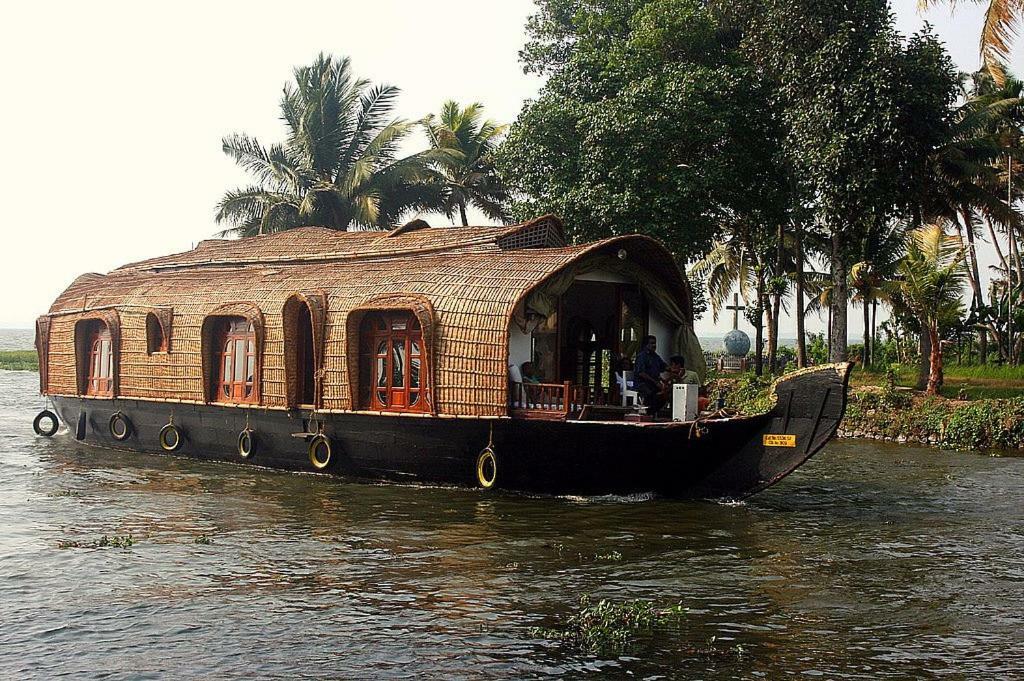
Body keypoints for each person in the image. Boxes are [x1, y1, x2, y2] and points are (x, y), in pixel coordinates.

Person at [634, 335, 667, 413]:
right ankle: (648, 412)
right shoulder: (641, 357)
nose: (654, 345)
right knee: (652, 394)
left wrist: (673, 370)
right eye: (652, 343)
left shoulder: (656, 357)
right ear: (646, 345)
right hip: (642, 384)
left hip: (653, 384)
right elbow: (641, 373)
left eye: (655, 343)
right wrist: (655, 382)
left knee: (665, 394)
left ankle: (652, 412)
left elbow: (664, 366)